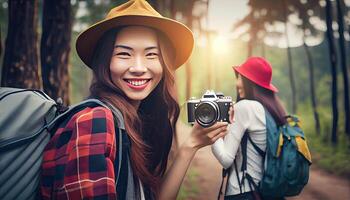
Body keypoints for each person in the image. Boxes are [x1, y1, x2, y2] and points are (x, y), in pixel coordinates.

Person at [40, 0, 228, 199]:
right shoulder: (95, 120)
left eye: (151, 54)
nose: (139, 67)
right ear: (105, 60)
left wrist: (191, 144)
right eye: (124, 54)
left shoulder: (133, 124)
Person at [211, 57, 287, 200]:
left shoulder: (246, 107)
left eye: (240, 77)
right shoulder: (272, 110)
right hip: (267, 191)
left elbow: (226, 159)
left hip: (243, 192)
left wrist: (210, 127)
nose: (237, 83)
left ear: (250, 82)